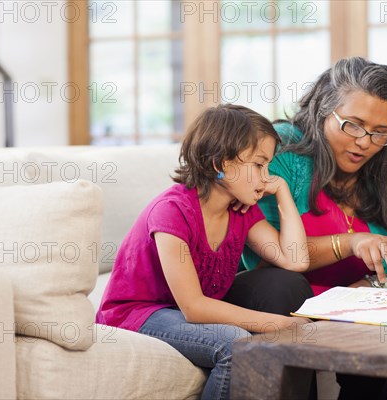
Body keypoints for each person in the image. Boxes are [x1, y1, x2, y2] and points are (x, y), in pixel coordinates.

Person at [225, 57, 387, 400]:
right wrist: (350, 242)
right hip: (284, 295)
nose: (364, 142)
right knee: (281, 283)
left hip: (359, 302)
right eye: (353, 125)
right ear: (322, 111)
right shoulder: (282, 149)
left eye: (380, 132)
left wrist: (370, 291)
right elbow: (266, 256)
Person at [96, 104, 311, 400]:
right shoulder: (172, 212)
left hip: (176, 312)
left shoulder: (239, 211)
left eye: (269, 166)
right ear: (220, 163)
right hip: (137, 313)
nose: (266, 177)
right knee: (235, 344)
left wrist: (284, 192)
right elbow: (195, 308)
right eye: (259, 165)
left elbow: (295, 259)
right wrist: (280, 323)